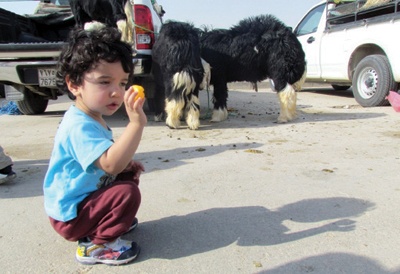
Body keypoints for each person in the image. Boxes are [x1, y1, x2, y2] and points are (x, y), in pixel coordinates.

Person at [43, 26, 147, 266]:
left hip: (82, 201)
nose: (116, 92)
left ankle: (107, 221)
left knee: (128, 173)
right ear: (74, 84)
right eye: (104, 82)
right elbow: (110, 164)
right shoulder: (78, 126)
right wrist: (136, 124)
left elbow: (112, 163)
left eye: (122, 83)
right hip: (71, 216)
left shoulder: (91, 117)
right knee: (127, 193)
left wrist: (126, 166)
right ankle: (97, 245)